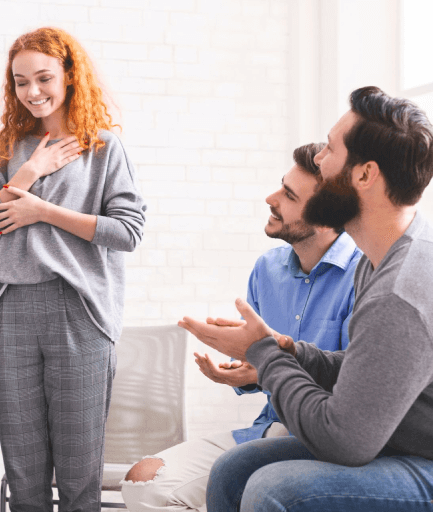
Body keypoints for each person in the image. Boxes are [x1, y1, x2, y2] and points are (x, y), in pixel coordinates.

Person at [180, 86, 433, 511]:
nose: (318, 158)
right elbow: (369, 373)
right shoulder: (380, 257)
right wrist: (289, 350)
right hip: (399, 440)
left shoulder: (400, 291)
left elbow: (343, 440)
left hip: (422, 461)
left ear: (365, 175)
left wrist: (263, 354)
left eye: (330, 149)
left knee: (276, 488)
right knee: (235, 469)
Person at [0, 27, 146, 512]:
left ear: (69, 76)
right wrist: (27, 175)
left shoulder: (104, 147)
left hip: (79, 312)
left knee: (78, 478)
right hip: (10, 312)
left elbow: (127, 232)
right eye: (21, 82)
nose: (33, 92)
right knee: (24, 478)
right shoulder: (11, 149)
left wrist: (42, 212)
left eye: (43, 78)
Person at [120, 143, 362, 511]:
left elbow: (353, 386)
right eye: (281, 185)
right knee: (143, 483)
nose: (271, 197)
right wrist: (248, 372)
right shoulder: (268, 268)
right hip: (269, 427)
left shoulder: (366, 275)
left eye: (288, 195)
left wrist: (269, 361)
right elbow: (263, 368)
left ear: (325, 216)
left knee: (254, 493)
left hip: (321, 440)